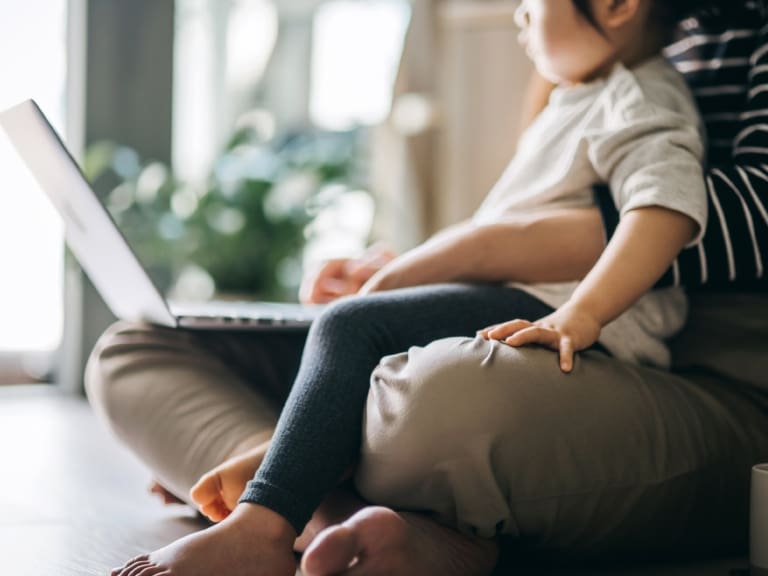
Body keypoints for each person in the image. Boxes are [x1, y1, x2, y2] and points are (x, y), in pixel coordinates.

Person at [88, 1, 768, 575]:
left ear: (620, 4)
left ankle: (264, 525)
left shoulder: (639, 97)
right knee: (138, 347)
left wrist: (582, 314)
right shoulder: (588, 92)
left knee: (353, 330)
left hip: (575, 325)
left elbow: (669, 209)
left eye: (532, 4)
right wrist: (412, 266)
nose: (518, 18)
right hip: (527, 302)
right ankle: (336, 507)